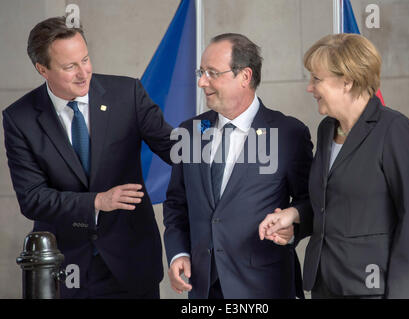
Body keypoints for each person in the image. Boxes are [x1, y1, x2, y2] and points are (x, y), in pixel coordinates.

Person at [2, 17, 174, 298]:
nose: (84, 73)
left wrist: (217, 140)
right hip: (65, 266)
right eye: (70, 66)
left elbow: (173, 148)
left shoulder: (127, 94)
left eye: (85, 59)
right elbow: (32, 198)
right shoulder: (19, 118)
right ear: (42, 69)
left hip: (131, 260)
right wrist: (96, 202)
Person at [259, 33, 409, 298]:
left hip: (372, 288)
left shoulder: (394, 130)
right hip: (324, 284)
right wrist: (294, 217)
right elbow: (329, 204)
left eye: (317, 79)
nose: (309, 88)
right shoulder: (327, 129)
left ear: (347, 82)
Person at [163, 33, 313, 299]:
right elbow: (176, 204)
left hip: (264, 288)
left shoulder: (288, 133)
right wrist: (179, 253)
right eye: (201, 72)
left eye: (211, 73)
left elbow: (312, 202)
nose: (201, 81)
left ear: (244, 76)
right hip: (203, 289)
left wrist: (292, 229)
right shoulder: (189, 132)